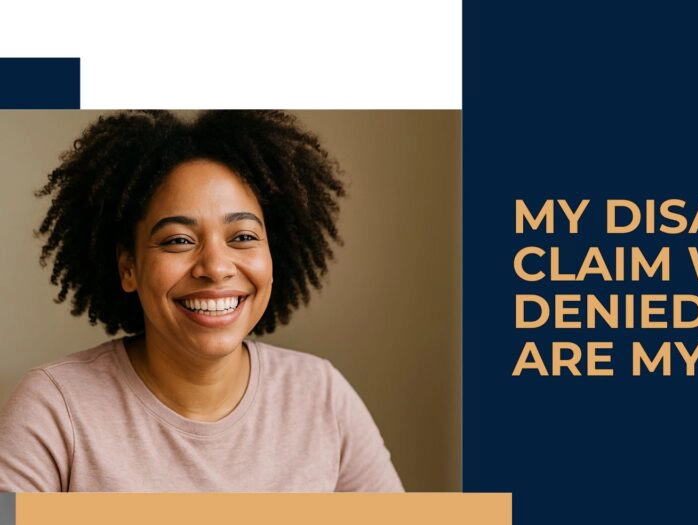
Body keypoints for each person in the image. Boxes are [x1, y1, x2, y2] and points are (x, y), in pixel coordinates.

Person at [0, 111, 403, 492]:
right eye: (178, 240)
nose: (215, 267)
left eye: (243, 237)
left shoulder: (322, 396)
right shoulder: (55, 409)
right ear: (129, 267)